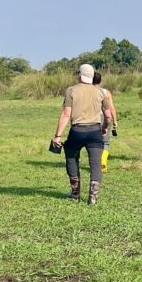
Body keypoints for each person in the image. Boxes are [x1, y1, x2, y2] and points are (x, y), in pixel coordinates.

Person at [53, 64, 113, 204]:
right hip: (95, 131)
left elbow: (66, 114)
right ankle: (93, 196)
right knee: (95, 162)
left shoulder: (71, 90)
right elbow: (108, 116)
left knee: (71, 156)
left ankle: (75, 193)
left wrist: (57, 135)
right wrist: (104, 127)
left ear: (79, 75)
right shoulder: (101, 93)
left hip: (77, 131)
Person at [92, 72, 118, 174]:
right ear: (100, 80)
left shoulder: (88, 91)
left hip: (93, 118)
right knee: (105, 142)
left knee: (94, 142)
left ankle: (96, 163)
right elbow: (111, 108)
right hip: (104, 117)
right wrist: (115, 120)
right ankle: (103, 162)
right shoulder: (106, 92)